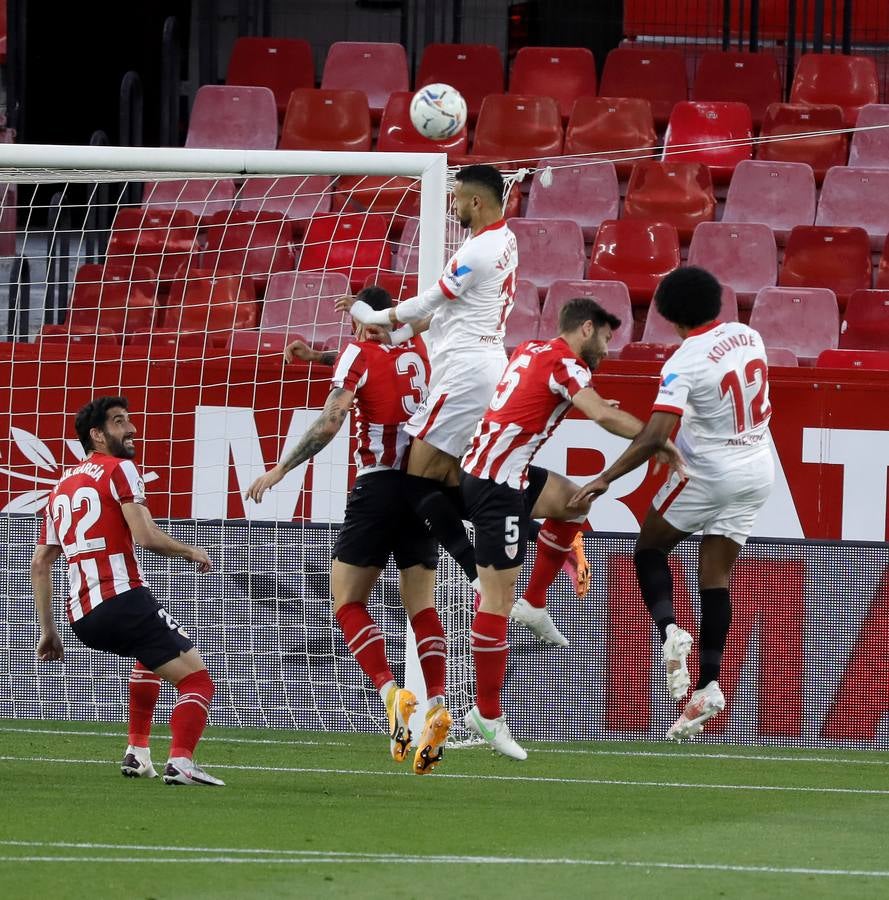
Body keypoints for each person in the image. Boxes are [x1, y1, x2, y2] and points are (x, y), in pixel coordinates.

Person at [340, 165, 590, 602]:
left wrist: (372, 316)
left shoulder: (478, 252)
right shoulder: (505, 239)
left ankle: (480, 575)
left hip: (465, 374)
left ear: (476, 201)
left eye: (456, 198)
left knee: (417, 480)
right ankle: (539, 538)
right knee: (463, 478)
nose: (452, 205)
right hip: (483, 362)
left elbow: (430, 300)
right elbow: (449, 312)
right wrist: (398, 335)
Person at [458, 297, 684, 758]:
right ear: (585, 329)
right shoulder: (564, 362)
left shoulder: (530, 350)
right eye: (604, 337)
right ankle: (487, 713)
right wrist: (653, 441)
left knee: (576, 503)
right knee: (495, 602)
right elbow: (601, 415)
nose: (606, 347)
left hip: (503, 473)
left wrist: (600, 403)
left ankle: (536, 603)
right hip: (496, 487)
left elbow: (561, 401)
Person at [246, 286, 452, 775]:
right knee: (421, 605)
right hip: (425, 488)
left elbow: (331, 420)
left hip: (378, 488)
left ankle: (389, 692)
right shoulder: (419, 346)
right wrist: (318, 356)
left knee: (347, 601)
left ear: (363, 322)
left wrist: (280, 469)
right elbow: (376, 358)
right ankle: (438, 702)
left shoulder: (358, 352)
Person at [571, 267, 775, 742]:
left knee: (649, 550)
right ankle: (707, 683)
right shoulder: (749, 335)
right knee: (715, 576)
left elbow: (657, 435)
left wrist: (605, 477)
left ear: (666, 316)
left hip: (710, 473)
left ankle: (668, 629)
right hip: (759, 466)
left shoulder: (686, 361)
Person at [31, 396, 223, 786]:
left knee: (147, 656)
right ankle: (182, 761)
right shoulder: (120, 469)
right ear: (97, 435)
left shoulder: (60, 487)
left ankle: (137, 752)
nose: (132, 429)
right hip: (121, 598)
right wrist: (189, 550)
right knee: (198, 681)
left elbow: (39, 564)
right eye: (120, 422)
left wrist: (48, 632)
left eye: (130, 421)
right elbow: (146, 536)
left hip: (82, 618)